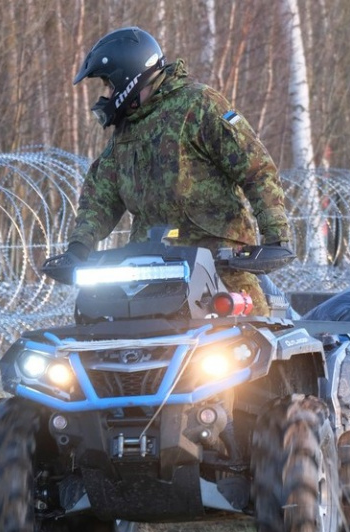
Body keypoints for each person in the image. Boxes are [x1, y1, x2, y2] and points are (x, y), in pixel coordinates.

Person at [56, 26, 292, 315]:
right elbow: (100, 197)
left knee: (250, 345)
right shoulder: (125, 133)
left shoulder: (199, 105)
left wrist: (275, 238)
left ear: (127, 78)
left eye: (109, 85)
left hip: (220, 268)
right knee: (103, 330)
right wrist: (78, 249)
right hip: (150, 273)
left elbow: (256, 168)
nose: (107, 94)